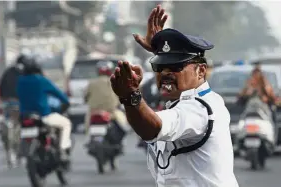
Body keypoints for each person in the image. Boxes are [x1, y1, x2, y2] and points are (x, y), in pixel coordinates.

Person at [111, 5, 239, 187]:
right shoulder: (192, 99)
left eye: (176, 67)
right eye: (160, 67)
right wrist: (162, 51)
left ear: (201, 71)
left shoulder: (200, 108)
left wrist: (131, 96)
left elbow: (153, 128)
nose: (165, 73)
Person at [16, 58, 72, 168]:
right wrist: (66, 102)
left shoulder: (20, 81)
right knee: (66, 124)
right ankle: (62, 150)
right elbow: (58, 94)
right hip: (44, 116)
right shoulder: (41, 80)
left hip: (24, 117)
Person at [84, 61, 130, 134]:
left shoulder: (91, 83)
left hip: (94, 111)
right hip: (112, 112)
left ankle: (88, 134)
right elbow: (121, 97)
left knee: (87, 124)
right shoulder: (115, 82)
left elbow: (85, 97)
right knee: (124, 125)